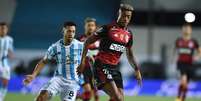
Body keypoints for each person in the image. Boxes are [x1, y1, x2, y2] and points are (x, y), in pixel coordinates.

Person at [77, 4, 142, 101]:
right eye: (123, 15)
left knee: (119, 99)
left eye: (128, 17)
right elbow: (87, 42)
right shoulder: (107, 28)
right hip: (101, 66)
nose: (125, 19)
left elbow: (129, 54)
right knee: (117, 97)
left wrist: (137, 70)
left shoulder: (129, 34)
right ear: (118, 14)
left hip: (114, 69)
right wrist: (82, 62)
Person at [23, 21, 84, 101]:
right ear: (63, 31)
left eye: (73, 31)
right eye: (69, 31)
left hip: (72, 83)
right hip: (58, 79)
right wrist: (33, 75)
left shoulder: (80, 46)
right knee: (41, 97)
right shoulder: (55, 47)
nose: (71, 34)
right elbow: (43, 61)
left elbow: (91, 58)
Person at [175, 23, 201, 101]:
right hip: (181, 64)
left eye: (188, 28)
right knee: (184, 80)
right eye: (185, 28)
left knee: (185, 84)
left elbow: (199, 51)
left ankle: (182, 98)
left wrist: (197, 57)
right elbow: (176, 51)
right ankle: (179, 98)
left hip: (190, 64)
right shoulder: (179, 41)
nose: (186, 29)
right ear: (182, 30)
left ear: (191, 30)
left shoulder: (193, 41)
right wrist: (174, 59)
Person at [78, 17, 99, 101]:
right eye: (88, 25)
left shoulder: (99, 39)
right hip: (83, 69)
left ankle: (75, 96)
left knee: (95, 95)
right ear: (85, 26)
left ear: (95, 27)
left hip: (95, 69)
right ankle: (74, 96)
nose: (90, 27)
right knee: (88, 91)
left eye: (92, 25)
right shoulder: (79, 39)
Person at [0, 22, 14, 101]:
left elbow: (11, 50)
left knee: (5, 82)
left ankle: (1, 98)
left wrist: (11, 55)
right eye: (1, 29)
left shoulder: (9, 39)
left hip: (4, 63)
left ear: (7, 30)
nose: (3, 30)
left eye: (4, 28)